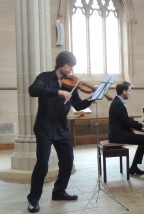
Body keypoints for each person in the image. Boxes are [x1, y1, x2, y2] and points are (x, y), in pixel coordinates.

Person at [27, 51, 93, 213]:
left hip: (62, 128)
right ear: (61, 64)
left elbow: (77, 105)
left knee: (68, 161)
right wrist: (57, 92)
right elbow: (32, 90)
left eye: (72, 67)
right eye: (69, 66)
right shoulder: (44, 77)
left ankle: (59, 191)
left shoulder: (71, 83)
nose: (71, 69)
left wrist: (92, 99)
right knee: (42, 164)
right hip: (44, 127)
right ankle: (33, 200)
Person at [108, 81, 144, 175]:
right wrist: (142, 124)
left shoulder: (117, 102)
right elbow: (126, 122)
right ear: (124, 92)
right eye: (129, 91)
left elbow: (125, 120)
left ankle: (134, 167)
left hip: (119, 133)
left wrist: (141, 123)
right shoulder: (117, 104)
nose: (130, 93)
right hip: (119, 135)